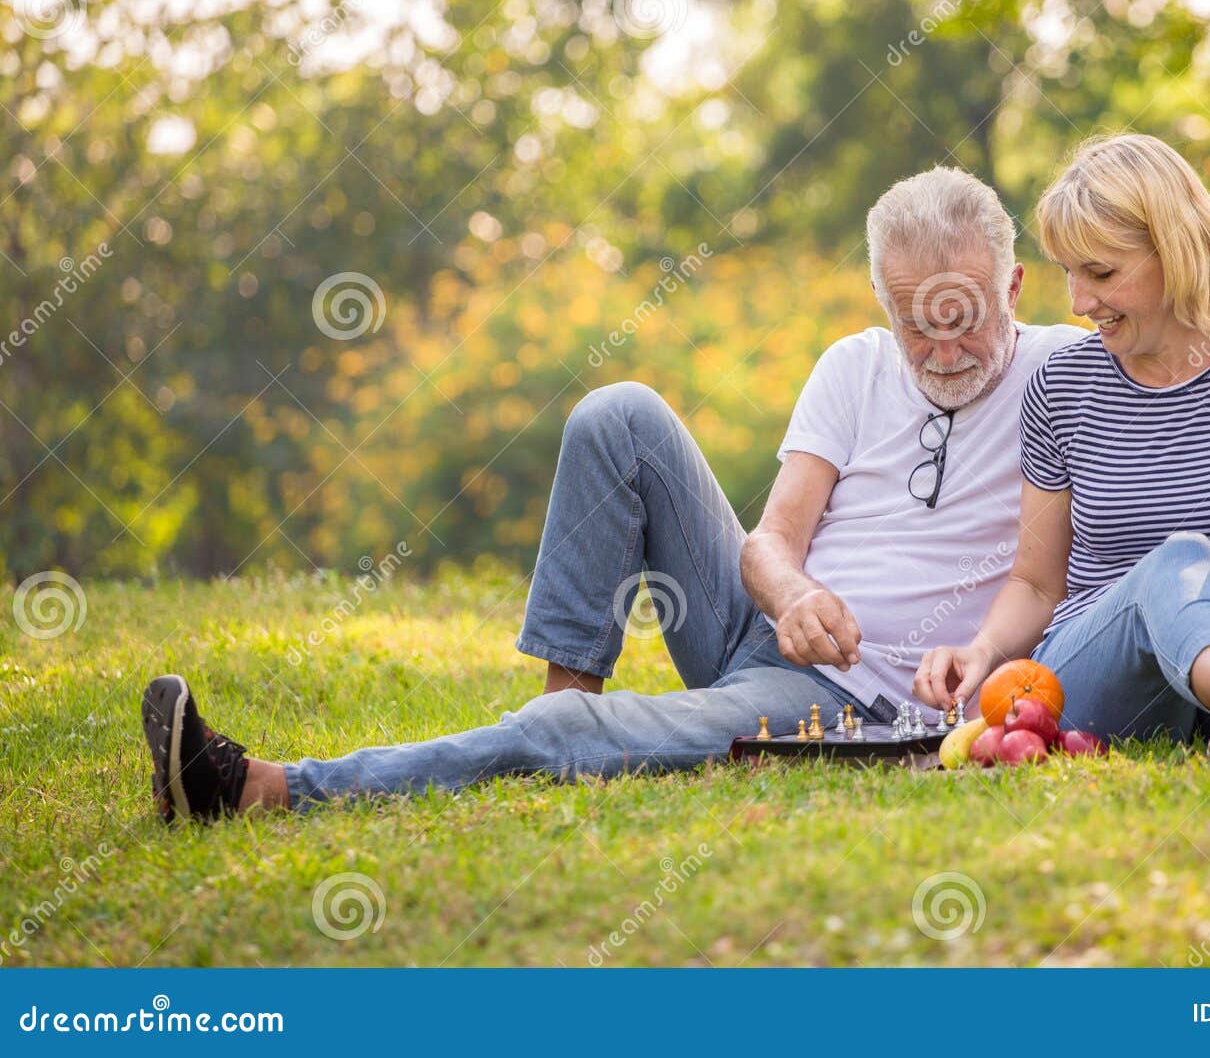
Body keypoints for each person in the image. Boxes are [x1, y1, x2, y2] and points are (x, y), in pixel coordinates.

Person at [139, 167, 1083, 821]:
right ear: (882, 299)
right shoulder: (855, 364)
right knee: (617, 411)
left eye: (963, 313)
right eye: (913, 320)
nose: (942, 347)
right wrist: (793, 596)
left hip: (850, 705)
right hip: (768, 636)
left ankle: (274, 788)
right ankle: (566, 719)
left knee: (582, 731)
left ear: (1014, 283)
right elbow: (769, 541)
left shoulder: (1070, 369)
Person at [912, 134, 1210, 758]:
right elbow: (1036, 583)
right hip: (1115, 683)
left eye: (1102, 273)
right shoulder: (1062, 386)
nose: (1080, 303)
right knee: (1177, 558)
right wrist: (981, 651)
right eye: (1069, 274)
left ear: (1174, 250)